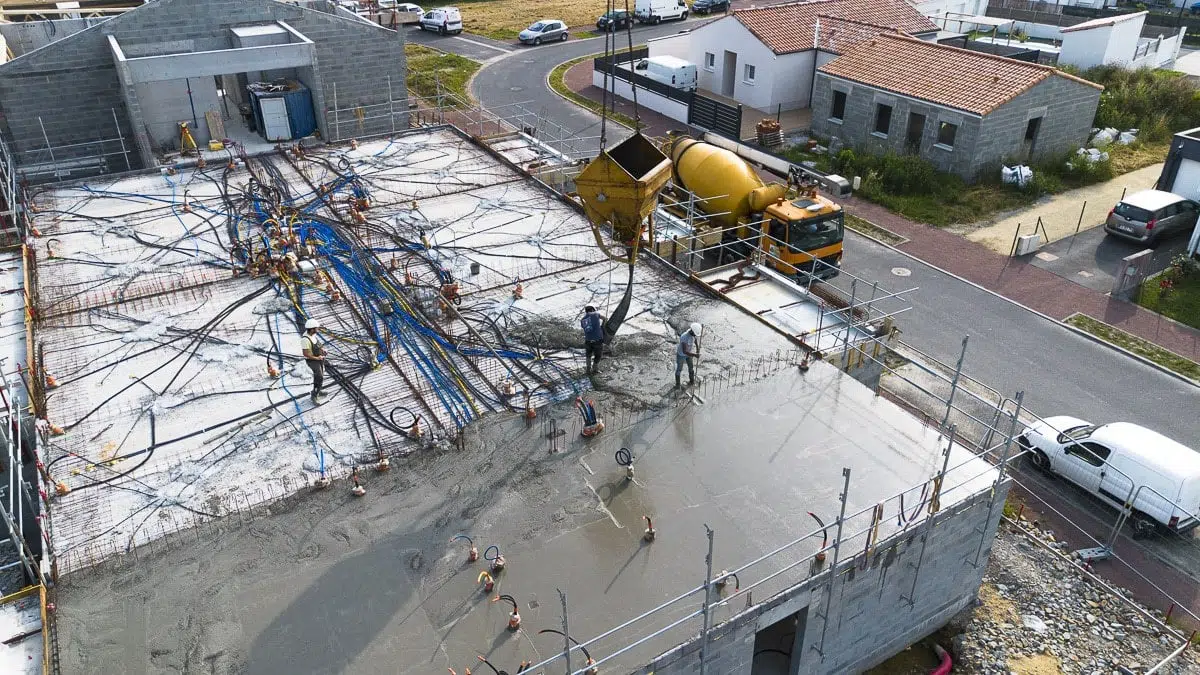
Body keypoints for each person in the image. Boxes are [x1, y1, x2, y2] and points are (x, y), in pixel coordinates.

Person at [301, 318, 326, 403]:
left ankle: (318, 390)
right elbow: (306, 354)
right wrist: (317, 358)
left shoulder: (313, 335)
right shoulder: (305, 339)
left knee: (320, 376)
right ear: (312, 329)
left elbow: (318, 343)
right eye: (316, 328)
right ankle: (314, 396)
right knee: (319, 376)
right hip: (312, 361)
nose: (317, 329)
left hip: (319, 358)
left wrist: (323, 349)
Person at [675, 322, 702, 388]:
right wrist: (695, 355)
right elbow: (685, 351)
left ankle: (692, 381)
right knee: (679, 369)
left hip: (689, 353)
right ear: (692, 331)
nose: (695, 335)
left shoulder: (693, 335)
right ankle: (678, 385)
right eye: (695, 334)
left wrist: (697, 349)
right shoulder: (684, 337)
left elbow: (695, 341)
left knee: (691, 367)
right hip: (681, 354)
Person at [580, 305, 605, 374]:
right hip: (597, 340)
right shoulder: (596, 314)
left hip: (588, 341)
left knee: (588, 355)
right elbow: (605, 318)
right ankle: (595, 369)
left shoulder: (582, 320)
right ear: (592, 310)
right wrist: (602, 326)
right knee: (598, 355)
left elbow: (585, 327)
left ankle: (588, 369)